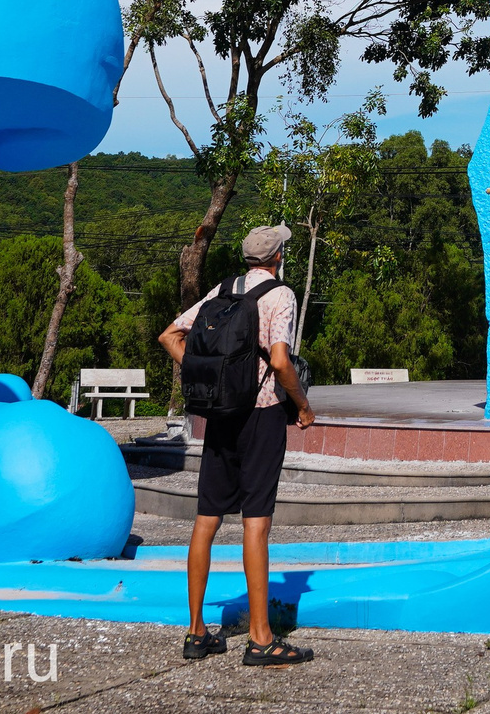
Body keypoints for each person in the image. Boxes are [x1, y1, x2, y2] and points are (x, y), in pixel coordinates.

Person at [158, 224, 316, 666]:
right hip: (261, 415)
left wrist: (208, 377)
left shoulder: (223, 289)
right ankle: (261, 638)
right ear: (278, 256)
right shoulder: (280, 295)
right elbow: (281, 360)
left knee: (206, 518)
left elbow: (169, 335)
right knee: (255, 522)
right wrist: (302, 405)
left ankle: (196, 633)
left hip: (220, 415)